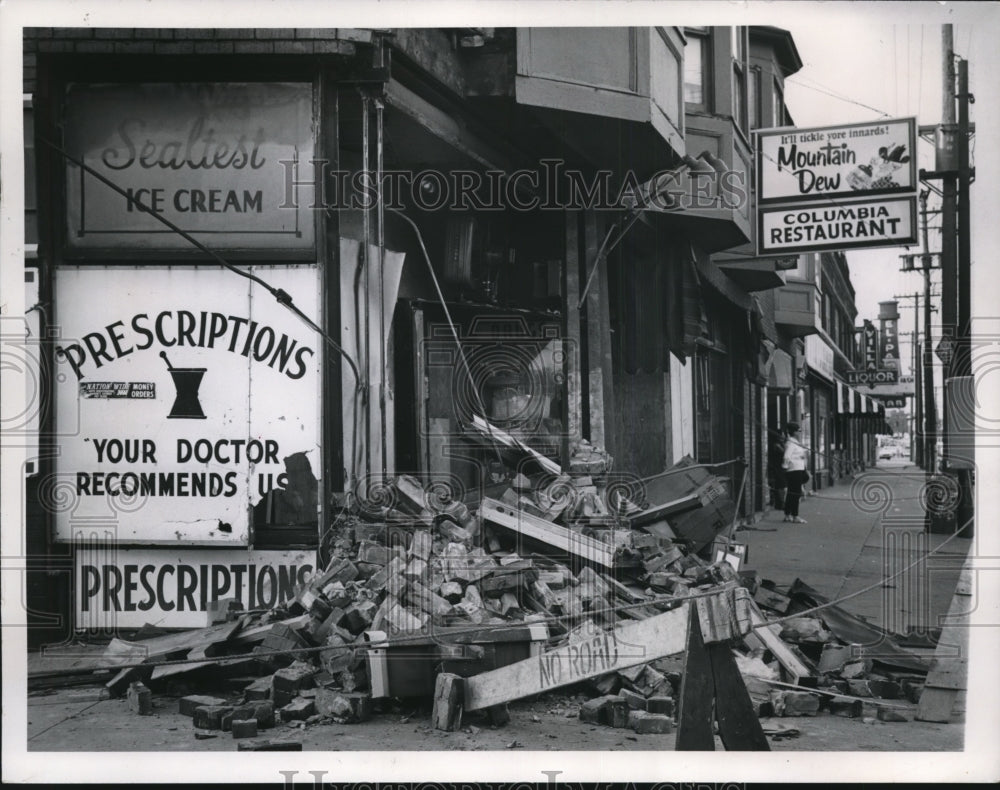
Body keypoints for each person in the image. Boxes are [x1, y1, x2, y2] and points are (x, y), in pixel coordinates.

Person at [781, 422, 810, 524]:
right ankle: (795, 516)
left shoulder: (794, 442)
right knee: (796, 493)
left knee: (791, 493)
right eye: (798, 431)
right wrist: (785, 468)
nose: (800, 433)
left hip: (797, 469)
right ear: (793, 432)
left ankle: (788, 514)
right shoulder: (791, 443)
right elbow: (786, 456)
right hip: (794, 470)